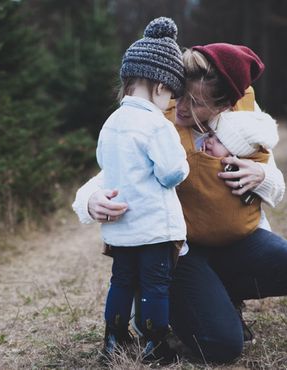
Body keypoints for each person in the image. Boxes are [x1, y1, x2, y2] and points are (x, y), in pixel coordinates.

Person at [72, 43, 287, 363]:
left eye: (196, 102)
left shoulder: (245, 120)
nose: (181, 107)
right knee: (222, 347)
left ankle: (219, 295)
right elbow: (115, 171)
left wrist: (261, 175)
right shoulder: (158, 117)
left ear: (224, 104)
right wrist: (90, 200)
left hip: (235, 242)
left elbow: (276, 183)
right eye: (180, 95)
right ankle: (179, 301)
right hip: (179, 251)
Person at [96, 17, 189, 363]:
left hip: (121, 229)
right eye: (171, 95)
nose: (170, 103)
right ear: (159, 85)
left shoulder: (111, 123)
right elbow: (171, 173)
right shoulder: (156, 125)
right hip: (154, 228)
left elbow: (106, 165)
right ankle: (155, 343)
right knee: (154, 286)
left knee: (121, 281)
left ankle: (113, 338)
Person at [182, 110, 279, 247]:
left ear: (236, 154)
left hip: (243, 234)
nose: (209, 141)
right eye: (210, 135)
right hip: (194, 238)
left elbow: (278, 189)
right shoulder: (194, 152)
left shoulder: (246, 165)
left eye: (220, 141)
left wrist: (263, 176)